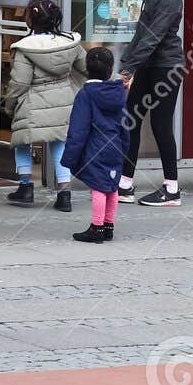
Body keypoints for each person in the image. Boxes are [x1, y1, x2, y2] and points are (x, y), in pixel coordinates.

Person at [118, 0, 185, 207]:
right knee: (130, 120)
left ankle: (172, 189)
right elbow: (141, 35)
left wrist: (129, 69)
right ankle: (125, 183)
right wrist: (127, 65)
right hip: (148, 66)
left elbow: (153, 39)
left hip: (167, 68)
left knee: (161, 125)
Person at [3, 0, 86, 211]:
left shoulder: (25, 48)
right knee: (60, 144)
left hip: (33, 103)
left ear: (30, 21)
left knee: (22, 141)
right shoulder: (71, 43)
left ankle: (25, 187)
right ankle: (64, 193)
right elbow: (86, 67)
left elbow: (20, 82)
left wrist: (9, 104)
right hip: (65, 101)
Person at [62, 46, 129, 243]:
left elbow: (79, 128)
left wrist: (70, 156)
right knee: (112, 187)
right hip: (115, 145)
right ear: (110, 69)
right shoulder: (119, 93)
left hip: (95, 148)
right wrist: (125, 148)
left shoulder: (86, 94)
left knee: (99, 187)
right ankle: (109, 225)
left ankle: (97, 227)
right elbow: (125, 125)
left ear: (86, 68)